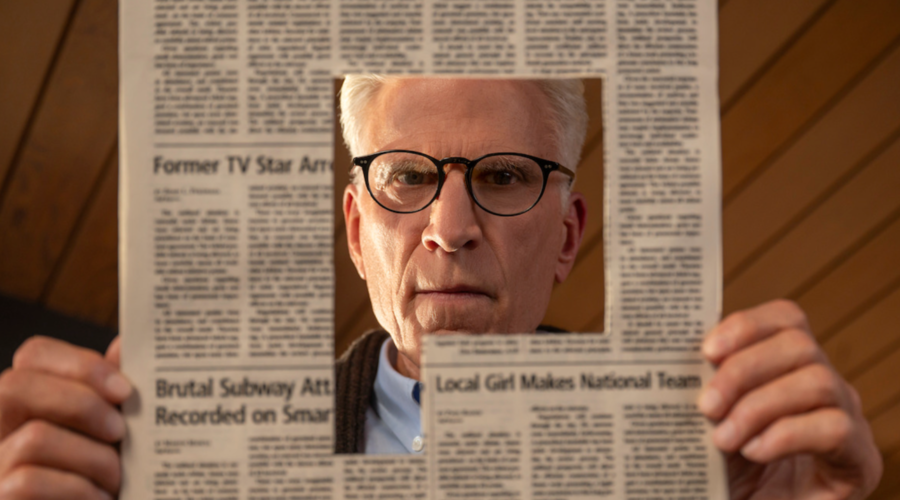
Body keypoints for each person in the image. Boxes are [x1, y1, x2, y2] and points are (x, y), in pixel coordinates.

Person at [0, 77, 882, 499]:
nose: (450, 227)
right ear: (356, 231)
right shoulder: (182, 463)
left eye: (502, 177)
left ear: (567, 237)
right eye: (407, 176)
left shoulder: (709, 464)